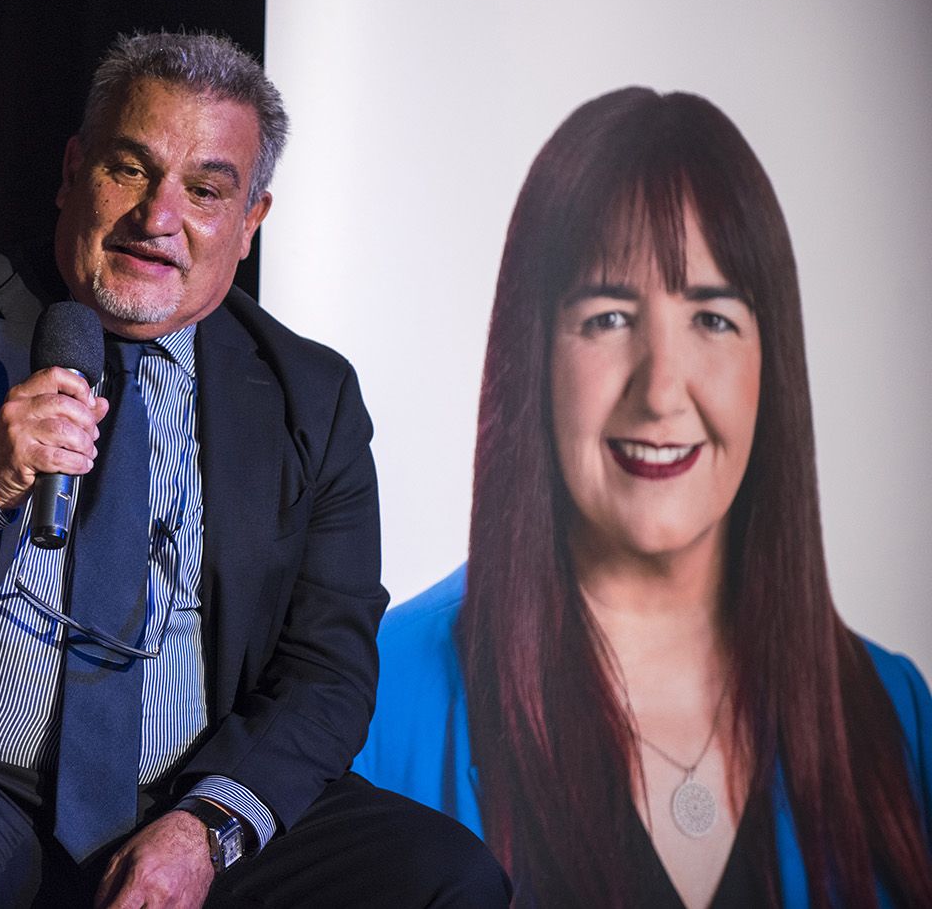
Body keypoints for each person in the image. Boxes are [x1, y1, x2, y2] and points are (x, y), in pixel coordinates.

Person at [0, 31, 507, 907]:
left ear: (250, 222)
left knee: (446, 879)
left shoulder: (312, 396)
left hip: (186, 796)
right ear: (74, 171)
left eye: (205, 191)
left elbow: (327, 668)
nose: (158, 217)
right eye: (131, 170)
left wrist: (207, 827)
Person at [354, 87, 932, 906]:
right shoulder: (378, 702)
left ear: (772, 364)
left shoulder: (893, 715)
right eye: (608, 317)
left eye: (713, 318)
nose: (661, 392)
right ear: (535, 355)